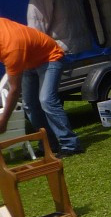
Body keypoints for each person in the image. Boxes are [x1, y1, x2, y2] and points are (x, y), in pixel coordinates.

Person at [0, 17, 83, 156]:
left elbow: (14, 90)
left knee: (46, 100)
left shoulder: (11, 48)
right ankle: (48, 144)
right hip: (28, 62)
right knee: (29, 105)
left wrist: (4, 120)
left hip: (50, 57)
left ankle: (71, 144)